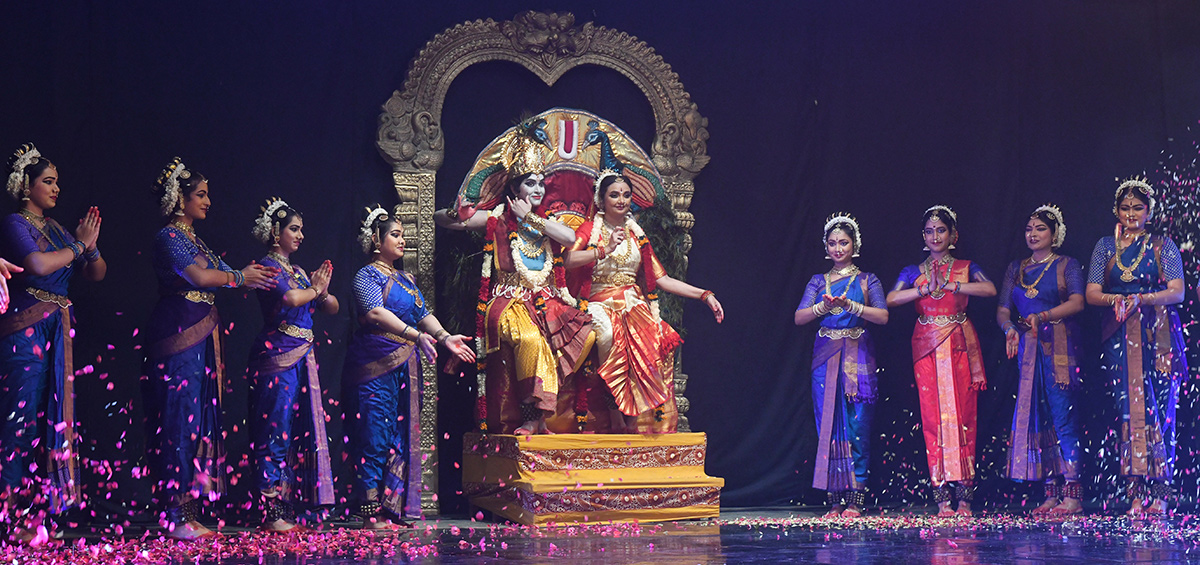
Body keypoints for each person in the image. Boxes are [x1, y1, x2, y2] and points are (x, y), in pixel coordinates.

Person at [142, 158, 278, 540]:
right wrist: (238, 277)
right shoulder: (168, 238)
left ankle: (188, 511)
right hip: (177, 335)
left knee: (196, 418)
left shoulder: (195, 240)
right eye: (200, 194)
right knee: (177, 419)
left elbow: (223, 273)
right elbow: (202, 277)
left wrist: (253, 279)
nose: (208, 202)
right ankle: (174, 513)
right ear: (179, 198)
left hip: (199, 338)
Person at [434, 133, 593, 435]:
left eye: (540, 183)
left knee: (586, 336)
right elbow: (441, 219)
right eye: (529, 183)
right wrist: (459, 214)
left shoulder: (547, 222)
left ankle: (544, 414)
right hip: (507, 301)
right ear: (513, 188)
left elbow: (571, 239)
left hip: (546, 301)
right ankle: (532, 417)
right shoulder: (497, 218)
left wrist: (531, 219)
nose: (537, 188)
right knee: (533, 341)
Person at [562, 170, 723, 433]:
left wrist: (704, 294)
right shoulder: (590, 229)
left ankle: (638, 417)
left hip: (633, 302)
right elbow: (567, 261)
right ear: (601, 201)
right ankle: (614, 411)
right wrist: (603, 250)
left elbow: (663, 279)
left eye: (626, 195)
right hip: (599, 301)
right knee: (606, 336)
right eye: (614, 195)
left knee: (655, 337)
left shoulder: (637, 234)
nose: (621, 200)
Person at [344, 206, 474, 529]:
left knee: (398, 435)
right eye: (396, 235)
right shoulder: (367, 276)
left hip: (404, 367)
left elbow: (422, 312)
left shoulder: (405, 279)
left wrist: (445, 339)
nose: (403, 240)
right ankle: (368, 509)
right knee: (375, 433)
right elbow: (374, 313)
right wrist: (416, 337)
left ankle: (390, 508)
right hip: (374, 364)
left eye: (403, 234)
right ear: (377, 239)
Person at [0, 143, 105, 542]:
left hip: (57, 331)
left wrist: (90, 248)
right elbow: (38, 265)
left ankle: (36, 519)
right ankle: (7, 519)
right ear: (27, 187)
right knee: (19, 422)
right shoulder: (16, 223)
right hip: (25, 331)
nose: (56, 188)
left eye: (57, 182)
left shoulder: (58, 229)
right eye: (48, 181)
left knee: (51, 421)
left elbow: (96, 273)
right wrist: (78, 247)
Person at [1084, 178, 1187, 516]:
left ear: (1148, 211)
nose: (1131, 213)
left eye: (1137, 207)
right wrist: (1121, 299)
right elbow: (1091, 293)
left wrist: (1141, 298)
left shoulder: (1162, 245)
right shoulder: (1104, 246)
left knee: (1161, 410)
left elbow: (1177, 291)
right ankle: (1135, 494)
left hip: (1158, 335)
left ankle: (1160, 494)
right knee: (1129, 409)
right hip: (1119, 333)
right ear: (1117, 210)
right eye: (1125, 207)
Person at [886, 205, 995, 517]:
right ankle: (942, 497)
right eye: (930, 231)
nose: (936, 236)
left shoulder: (966, 267)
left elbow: (989, 289)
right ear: (923, 236)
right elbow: (892, 299)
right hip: (926, 347)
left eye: (941, 230)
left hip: (959, 345)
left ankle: (964, 497)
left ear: (953, 235)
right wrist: (923, 288)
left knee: (963, 416)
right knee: (933, 417)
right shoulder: (912, 271)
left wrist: (950, 285)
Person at [246, 198, 338, 532]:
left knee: (298, 429)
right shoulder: (267, 267)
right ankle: (271, 511)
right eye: (293, 229)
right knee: (275, 429)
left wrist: (322, 292)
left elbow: (332, 306)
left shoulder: (298, 272)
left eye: (301, 230)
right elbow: (290, 299)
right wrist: (314, 289)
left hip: (301, 357)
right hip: (277, 357)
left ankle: (288, 507)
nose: (300, 236)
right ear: (275, 231)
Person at [792, 213, 886, 517]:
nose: (837, 248)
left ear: (854, 245)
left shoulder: (867, 280)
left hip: (857, 354)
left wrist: (851, 306)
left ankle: (856, 498)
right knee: (828, 425)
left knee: (858, 423)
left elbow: (882, 316)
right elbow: (799, 317)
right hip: (825, 356)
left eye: (843, 242)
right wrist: (824, 306)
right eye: (832, 243)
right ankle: (834, 498)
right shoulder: (818, 281)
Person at [996, 205, 1085, 515]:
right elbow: (1004, 309)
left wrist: (1044, 316)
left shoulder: (1066, 265)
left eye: (1040, 229)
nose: (1032, 234)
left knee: (1062, 415)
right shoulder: (1016, 268)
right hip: (1027, 348)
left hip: (1059, 347)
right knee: (1039, 416)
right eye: (1029, 229)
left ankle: (1072, 493)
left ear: (1054, 233)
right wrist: (1008, 329)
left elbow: (1077, 301)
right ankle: (1050, 492)